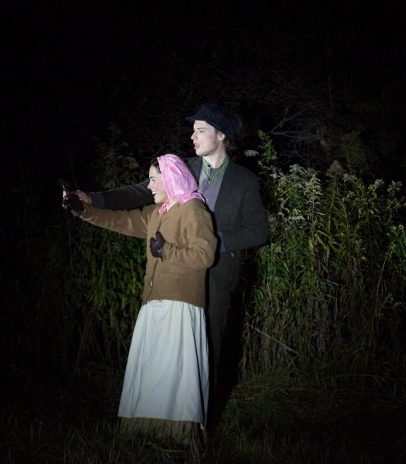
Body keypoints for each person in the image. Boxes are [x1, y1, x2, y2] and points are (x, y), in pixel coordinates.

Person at [80, 103, 269, 417]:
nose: (192, 136)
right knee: (178, 353)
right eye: (192, 130)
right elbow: (142, 191)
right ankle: (166, 418)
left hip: (218, 276)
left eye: (201, 130)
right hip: (178, 277)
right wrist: (95, 199)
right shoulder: (184, 167)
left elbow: (259, 230)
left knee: (209, 350)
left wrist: (213, 243)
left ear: (222, 135)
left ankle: (200, 423)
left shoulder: (245, 181)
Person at [63, 154, 217, 441]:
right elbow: (121, 221)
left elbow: (205, 255)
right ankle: (146, 430)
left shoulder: (194, 209)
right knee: (153, 368)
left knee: (176, 371)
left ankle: (180, 432)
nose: (150, 185)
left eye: (154, 178)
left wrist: (168, 251)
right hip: (154, 300)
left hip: (181, 305)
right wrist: (83, 210)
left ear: (170, 178)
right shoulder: (156, 213)